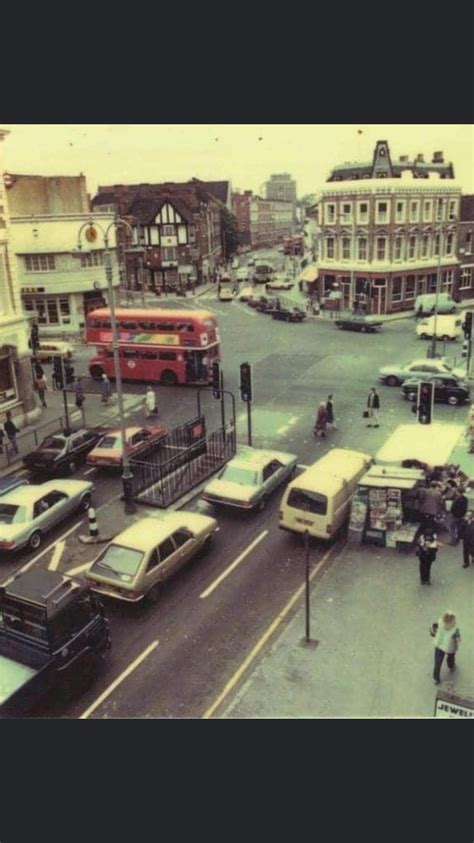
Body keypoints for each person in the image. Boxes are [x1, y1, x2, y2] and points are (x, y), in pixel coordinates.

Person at [430, 611, 461, 685]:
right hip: (444, 646)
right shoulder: (443, 623)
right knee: (443, 660)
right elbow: (433, 629)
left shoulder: (452, 627)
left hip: (444, 646)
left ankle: (437, 678)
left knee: (439, 662)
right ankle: (450, 667)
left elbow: (433, 629)